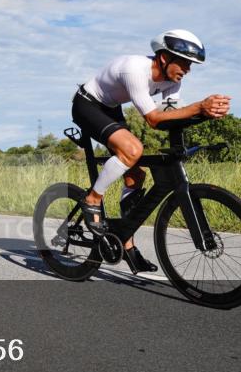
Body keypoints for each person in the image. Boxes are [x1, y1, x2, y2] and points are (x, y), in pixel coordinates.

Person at [71, 29, 230, 273]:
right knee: (133, 149)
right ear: (164, 58)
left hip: (111, 108)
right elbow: (154, 120)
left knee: (136, 176)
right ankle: (92, 199)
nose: (187, 69)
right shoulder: (134, 70)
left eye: (191, 65)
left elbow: (171, 116)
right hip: (87, 104)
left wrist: (204, 115)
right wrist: (199, 106)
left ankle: (125, 242)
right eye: (184, 62)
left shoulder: (173, 81)